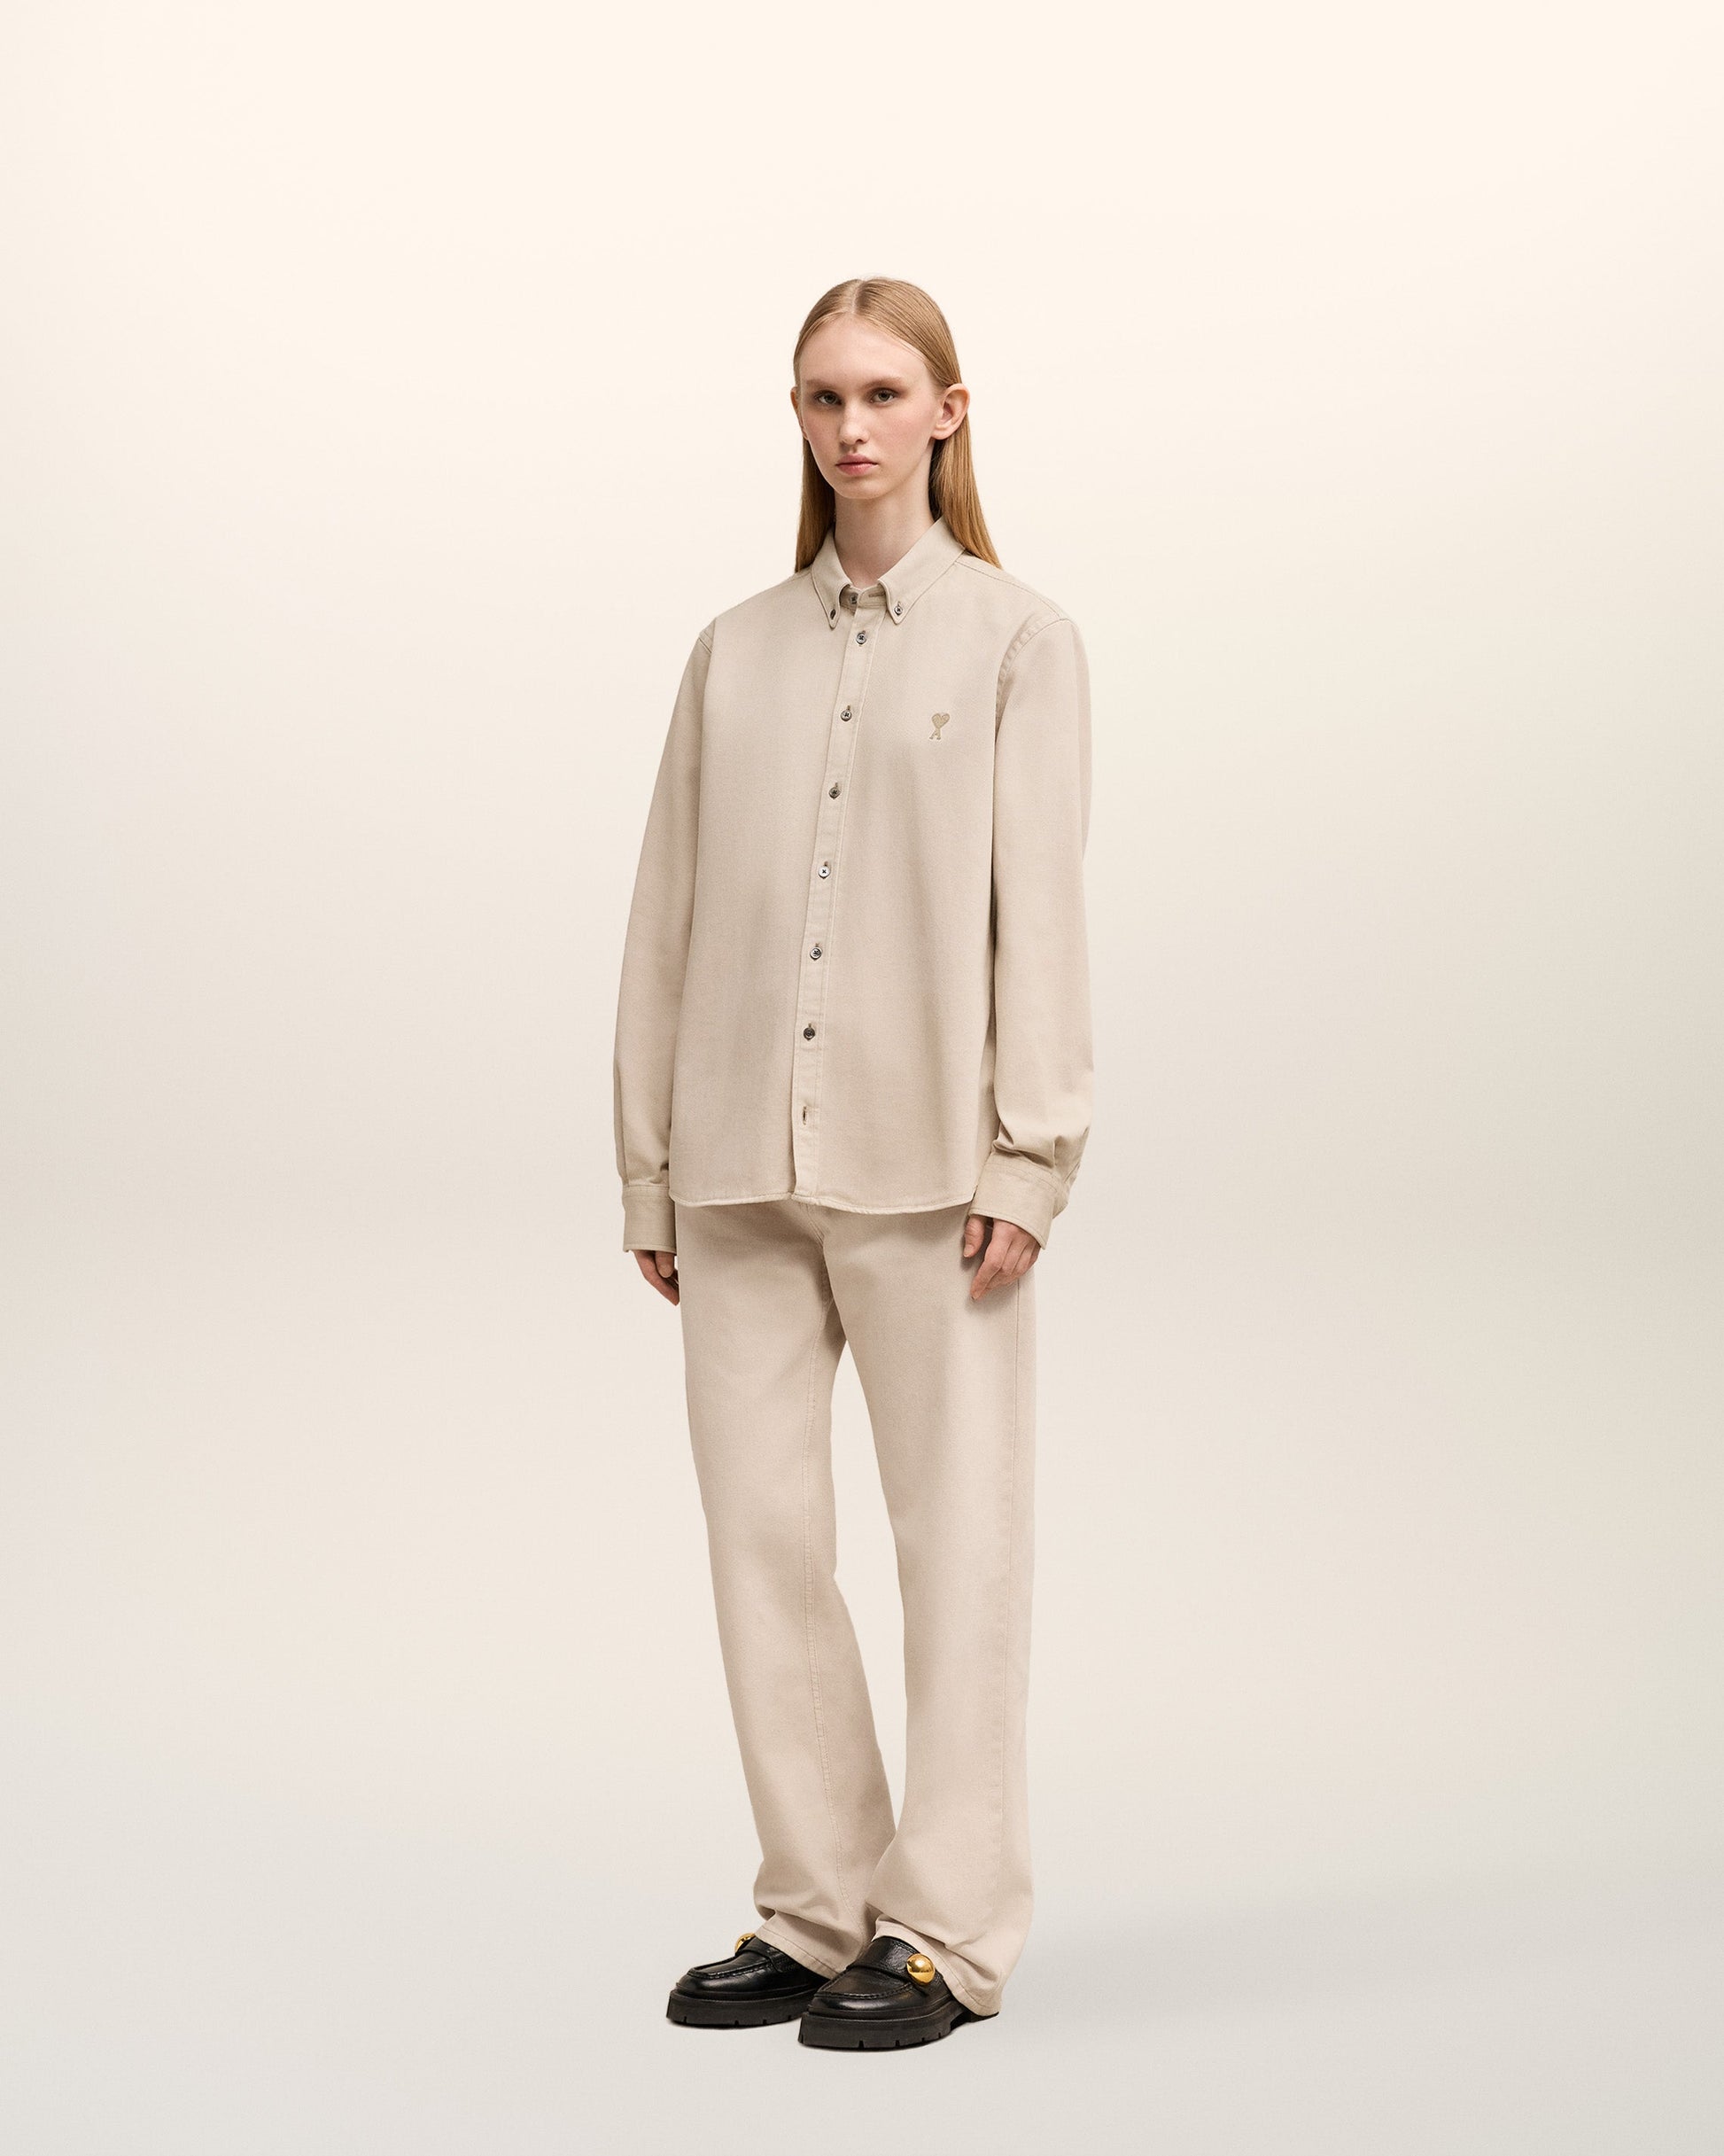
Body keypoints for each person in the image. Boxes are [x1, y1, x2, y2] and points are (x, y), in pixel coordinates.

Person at [611, 276, 1093, 2051]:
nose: (850, 426)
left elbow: (1039, 912)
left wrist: (1029, 1155)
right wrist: (650, 1163)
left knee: (955, 1546)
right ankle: (815, 1909)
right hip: (737, 1161)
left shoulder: (1018, 641)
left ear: (948, 411)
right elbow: (665, 910)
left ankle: (946, 1930)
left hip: (930, 1169)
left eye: (884, 393)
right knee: (761, 1538)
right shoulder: (732, 650)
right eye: (822, 396)